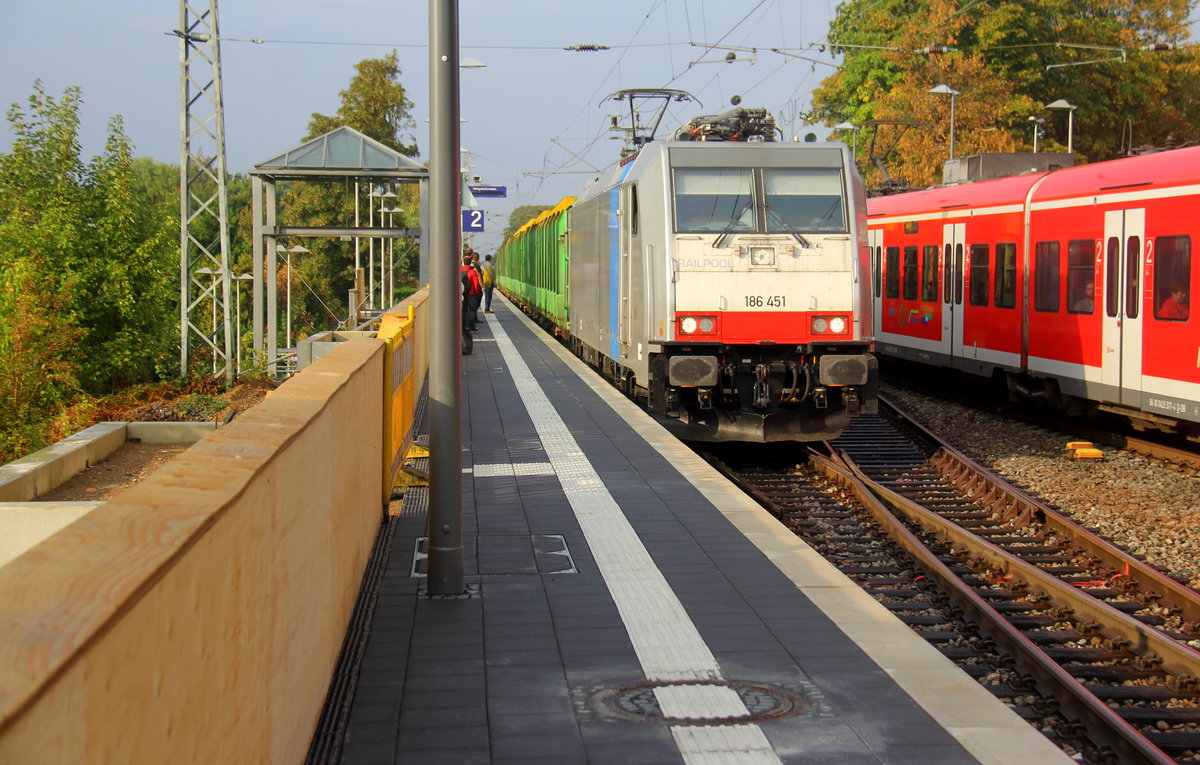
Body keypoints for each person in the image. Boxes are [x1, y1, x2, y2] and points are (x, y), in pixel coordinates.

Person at [461, 253, 483, 332]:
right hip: (471, 294)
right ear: (470, 262)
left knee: (464, 310)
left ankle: (463, 325)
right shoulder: (472, 271)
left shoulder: (459, 270)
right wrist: (477, 292)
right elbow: (476, 284)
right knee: (472, 310)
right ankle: (471, 326)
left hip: (462, 293)